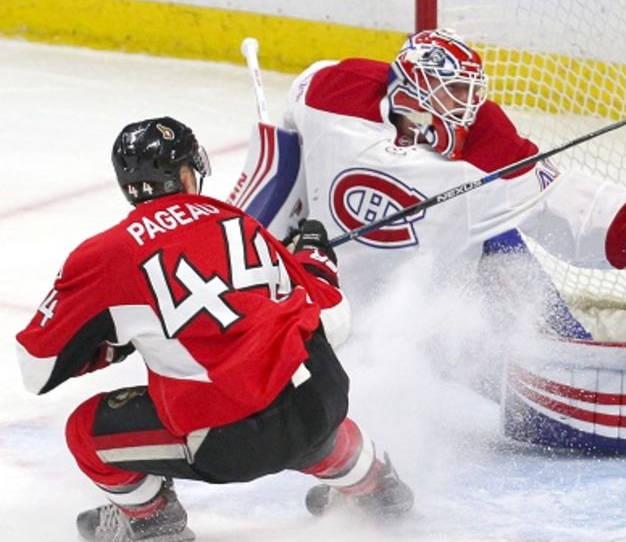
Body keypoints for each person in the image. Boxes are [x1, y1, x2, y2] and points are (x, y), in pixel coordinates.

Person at [231, 29, 626, 466]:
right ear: (412, 92)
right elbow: (277, 174)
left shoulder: (488, 146)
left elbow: (569, 204)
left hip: (456, 286)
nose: (470, 108)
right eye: (453, 96)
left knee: (563, 391)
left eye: (472, 93)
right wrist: (230, 248)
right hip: (333, 287)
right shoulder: (328, 92)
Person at [15, 117, 413, 542]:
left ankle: (153, 521)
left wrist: (110, 348)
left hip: (231, 445)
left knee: (85, 430)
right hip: (323, 403)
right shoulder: (239, 222)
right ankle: (376, 486)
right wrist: (315, 259)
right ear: (186, 174)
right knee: (294, 383)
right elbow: (333, 320)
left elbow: (37, 369)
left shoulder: (104, 254)